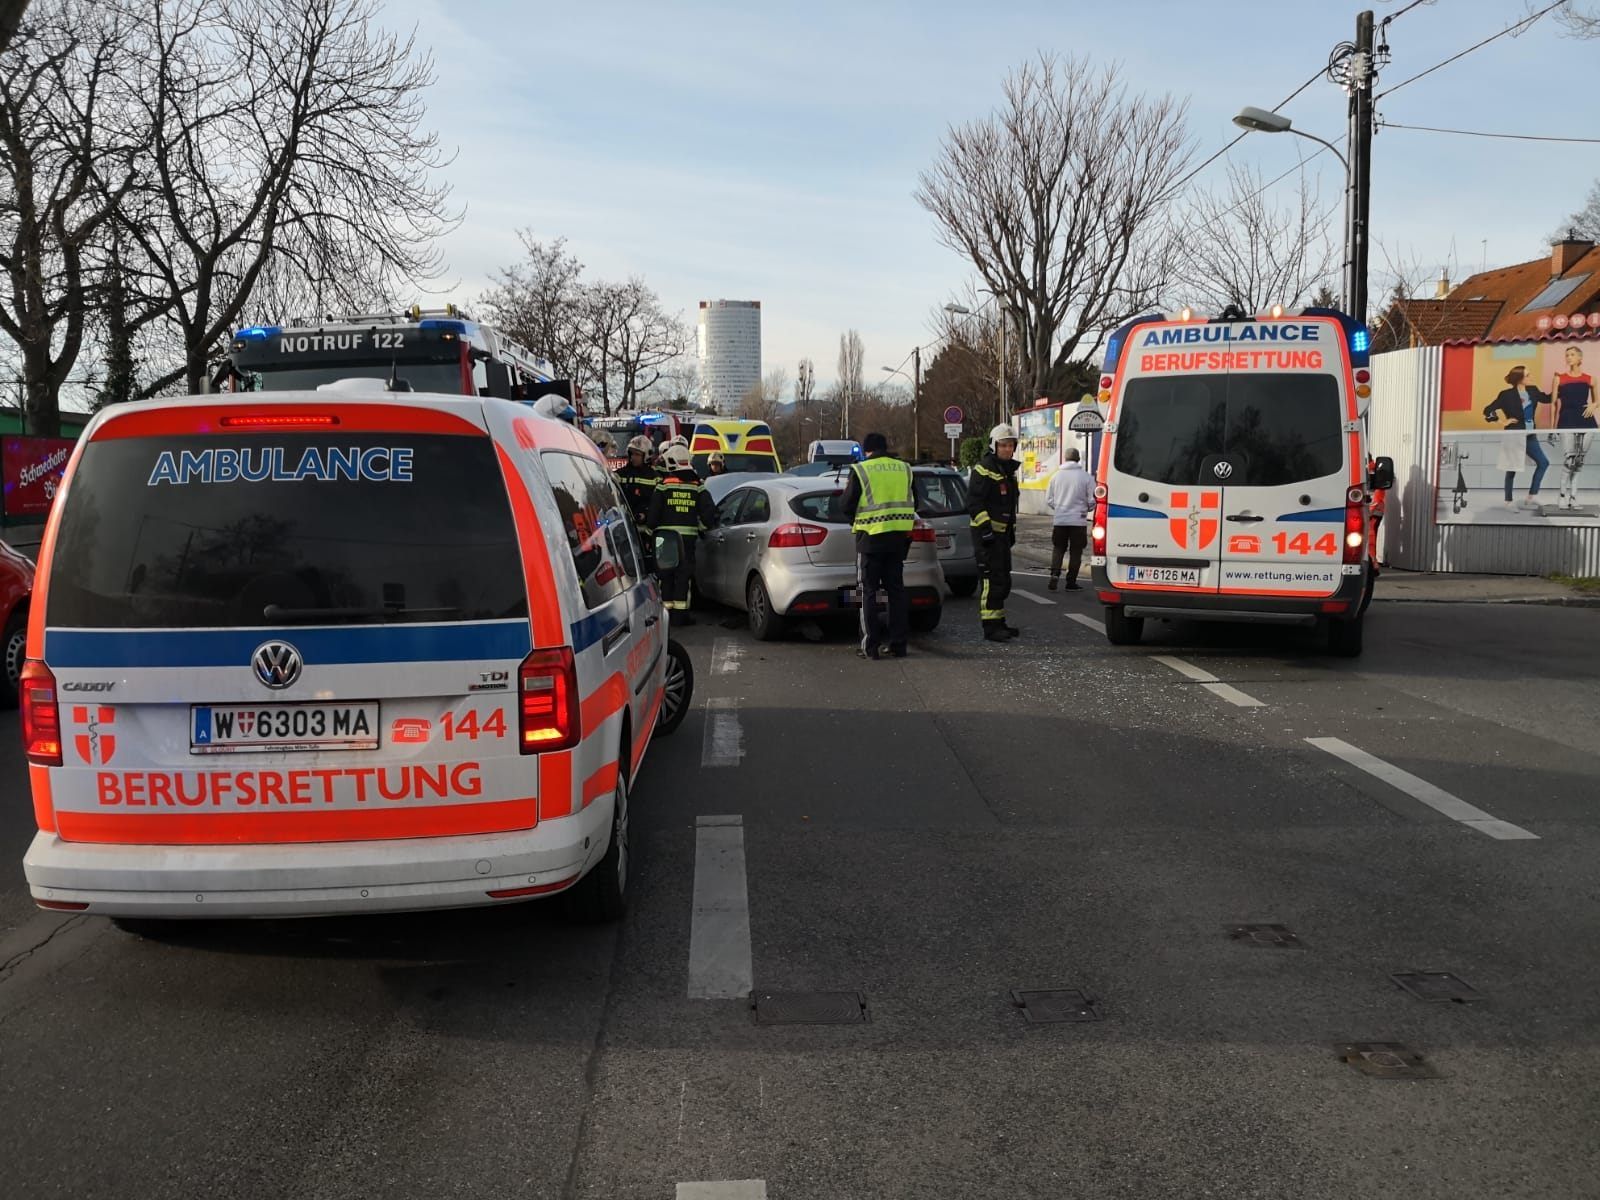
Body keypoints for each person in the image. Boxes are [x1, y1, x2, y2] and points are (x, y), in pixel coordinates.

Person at [839, 431, 916, 659]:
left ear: (866, 450)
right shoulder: (905, 469)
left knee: (868, 593)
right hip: (898, 540)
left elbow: (846, 504)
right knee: (896, 592)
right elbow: (915, 501)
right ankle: (898, 644)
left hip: (871, 540)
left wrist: (857, 521)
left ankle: (870, 646)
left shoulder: (861, 470)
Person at [645, 441, 717, 625]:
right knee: (684, 577)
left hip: (666, 541)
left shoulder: (663, 486)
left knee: (666, 576)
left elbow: (652, 516)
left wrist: (648, 534)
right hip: (688, 541)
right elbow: (709, 514)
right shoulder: (697, 486)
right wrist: (703, 528)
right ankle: (681, 616)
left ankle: (666, 615)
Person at [968, 423, 1020, 642]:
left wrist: (1010, 532)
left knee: (1002, 580)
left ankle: (999, 622)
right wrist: (986, 530)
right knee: (991, 581)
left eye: (1011, 445)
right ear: (994, 446)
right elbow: (974, 503)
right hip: (987, 538)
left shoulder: (1007, 472)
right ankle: (990, 627)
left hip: (1001, 537)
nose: (1008, 449)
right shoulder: (984, 469)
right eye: (1003, 445)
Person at [1482, 366, 1551, 509]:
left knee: (1543, 462)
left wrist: (1561, 385)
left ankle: (1532, 496)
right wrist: (1502, 421)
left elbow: (1548, 399)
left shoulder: (1533, 390)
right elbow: (1488, 410)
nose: (1531, 377)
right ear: (1520, 379)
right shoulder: (1506, 394)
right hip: (1514, 434)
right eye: (1528, 375)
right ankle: (1508, 500)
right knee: (1511, 468)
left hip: (1530, 434)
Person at [1551, 345, 1597, 510]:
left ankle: (1574, 497)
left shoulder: (1590, 379)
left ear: (1580, 358)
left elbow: (1596, 400)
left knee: (1579, 461)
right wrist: (1552, 428)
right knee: (1569, 459)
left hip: (1587, 421)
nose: (1568, 358)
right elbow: (1554, 405)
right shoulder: (1559, 378)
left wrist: (1595, 404)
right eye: (1567, 355)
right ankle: (1562, 495)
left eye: (1572, 355)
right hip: (1567, 419)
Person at [1043, 447, 1092, 590]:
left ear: (1065, 459)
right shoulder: (1086, 477)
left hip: (1060, 520)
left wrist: (1059, 508)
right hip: (1078, 520)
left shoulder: (1055, 476)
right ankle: (1071, 582)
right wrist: (1086, 509)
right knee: (1076, 551)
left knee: (1058, 548)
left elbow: (1049, 499)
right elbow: (1092, 500)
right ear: (1078, 459)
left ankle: (1054, 574)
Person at [615, 435, 658, 530]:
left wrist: (645, 514)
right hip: (623, 526)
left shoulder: (655, 477)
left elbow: (657, 504)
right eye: (632, 454)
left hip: (646, 530)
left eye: (637, 454)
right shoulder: (620, 474)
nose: (633, 457)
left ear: (646, 455)